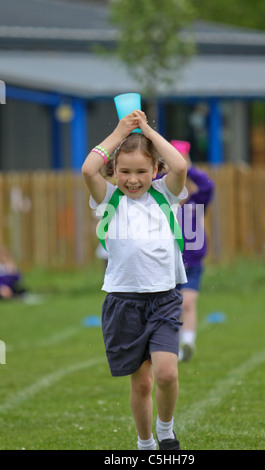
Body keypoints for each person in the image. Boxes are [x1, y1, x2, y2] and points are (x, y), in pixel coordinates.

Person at [81, 109, 188, 451]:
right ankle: (145, 444)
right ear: (114, 171)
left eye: (142, 171)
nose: (132, 179)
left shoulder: (165, 195)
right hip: (124, 302)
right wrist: (119, 131)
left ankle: (166, 429)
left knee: (168, 373)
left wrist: (146, 131)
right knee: (141, 385)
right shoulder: (109, 200)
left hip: (164, 299)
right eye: (124, 171)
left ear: (155, 170)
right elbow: (88, 169)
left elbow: (180, 166)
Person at [172, 141, 214, 362]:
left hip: (192, 264)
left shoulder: (197, 202)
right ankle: (174, 347)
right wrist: (171, 165)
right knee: (172, 307)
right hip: (168, 264)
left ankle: (187, 342)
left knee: (187, 303)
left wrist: (188, 167)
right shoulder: (164, 205)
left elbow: (207, 186)